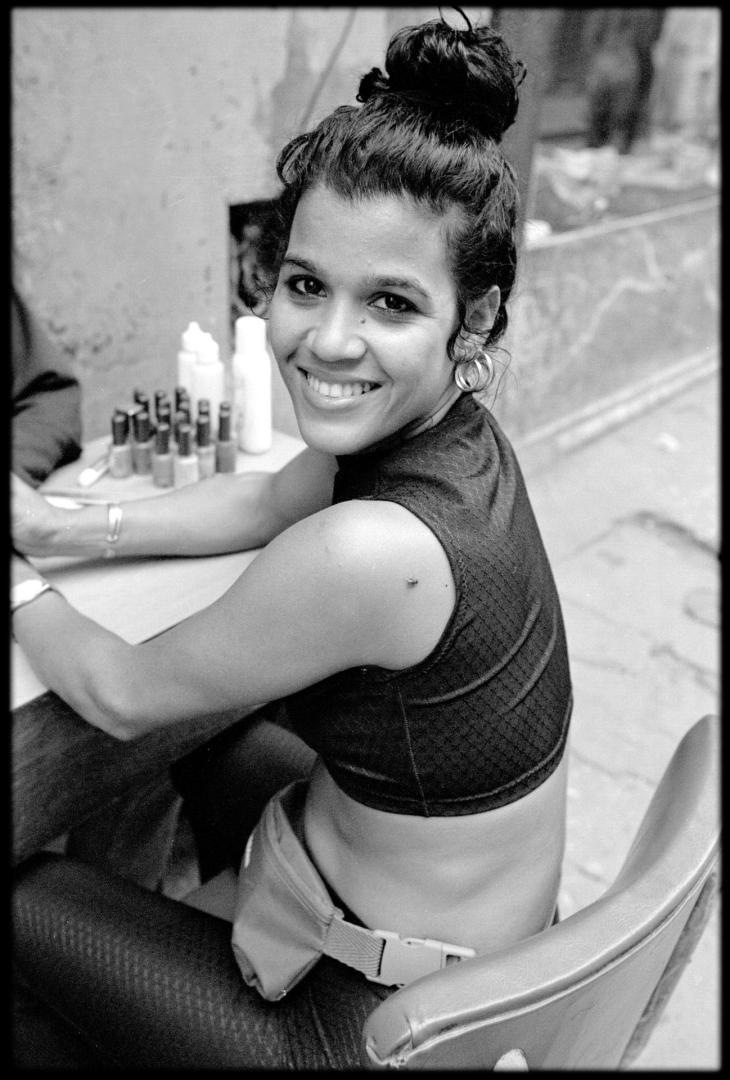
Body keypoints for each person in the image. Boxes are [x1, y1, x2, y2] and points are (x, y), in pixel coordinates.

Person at [12, 13, 572, 1068]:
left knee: (25, 886)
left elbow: (121, 694)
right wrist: (58, 525)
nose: (327, 341)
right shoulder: (448, 436)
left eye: (391, 302)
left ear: (475, 319)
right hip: (445, 935)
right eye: (307, 284)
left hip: (376, 1030)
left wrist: (18, 584)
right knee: (201, 746)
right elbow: (264, 505)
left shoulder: (375, 551)